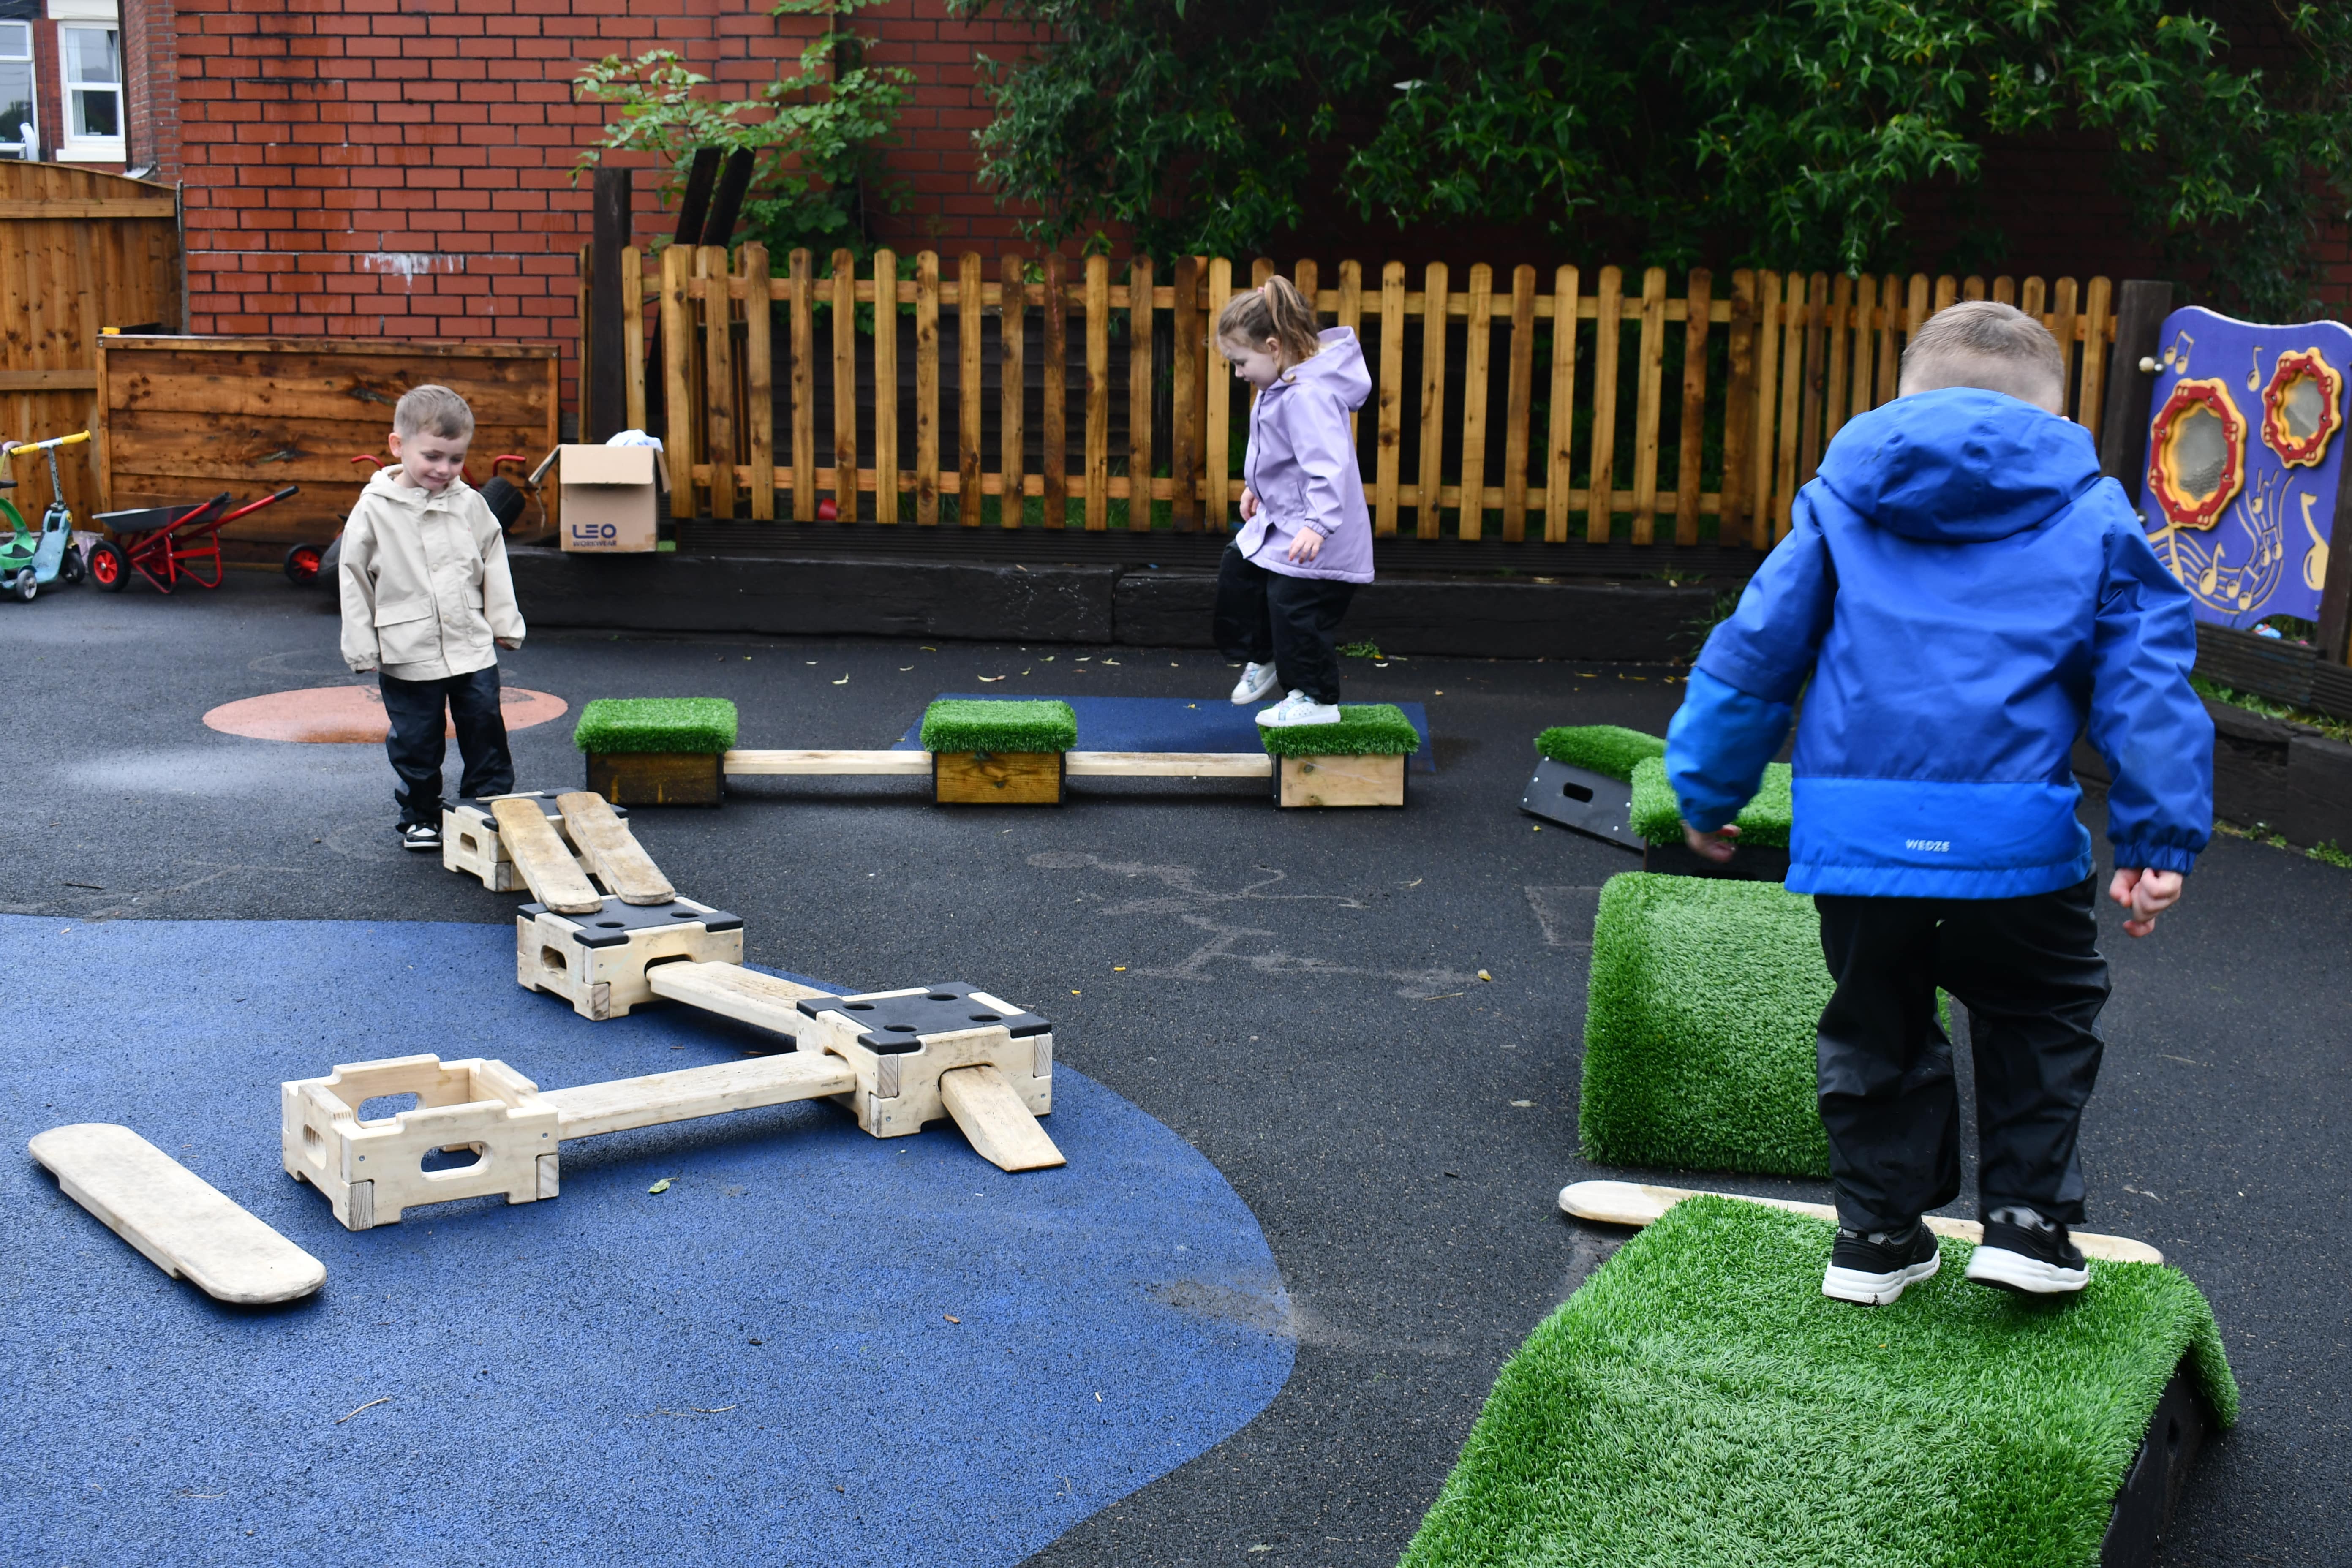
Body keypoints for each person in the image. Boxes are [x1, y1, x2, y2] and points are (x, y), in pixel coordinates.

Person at [1664, 301, 2212, 1306]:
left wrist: (1706, 790)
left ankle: (1875, 1237)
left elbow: (1754, 655)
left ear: (1906, 396)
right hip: (2016, 840)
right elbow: (2146, 686)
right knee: (2040, 1011)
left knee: (1875, 1023)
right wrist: (2156, 839)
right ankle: (2025, 1224)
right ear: (2054, 409)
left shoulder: (1839, 498)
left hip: (1860, 842)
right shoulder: (2092, 510)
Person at [338, 384, 526, 851]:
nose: (445, 470)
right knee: (417, 739)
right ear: (398, 447)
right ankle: (421, 815)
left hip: (470, 643)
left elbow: (494, 562)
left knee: (485, 726)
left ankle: (487, 807)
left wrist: (505, 624)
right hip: (407, 648)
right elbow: (354, 578)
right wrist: (361, 646)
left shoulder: (470, 503)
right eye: (434, 457)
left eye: (457, 459)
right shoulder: (375, 509)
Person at [1211, 277, 1374, 727]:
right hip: (1283, 520)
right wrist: (1256, 488)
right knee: (1239, 568)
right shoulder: (1281, 385)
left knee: (1293, 605)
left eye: (1241, 362)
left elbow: (1328, 466)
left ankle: (1317, 699)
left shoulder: (1308, 395)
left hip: (1318, 536)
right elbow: (1284, 456)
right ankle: (1265, 658)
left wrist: (1318, 526)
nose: (1239, 373)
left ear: (1273, 346)